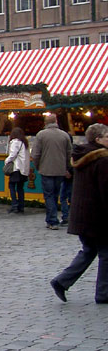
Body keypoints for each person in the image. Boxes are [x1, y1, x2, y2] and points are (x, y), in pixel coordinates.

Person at [50, 123, 108, 304]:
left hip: (83, 214)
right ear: (98, 139)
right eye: (107, 136)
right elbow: (105, 191)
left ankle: (61, 281)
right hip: (97, 216)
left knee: (89, 250)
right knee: (105, 253)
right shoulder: (103, 160)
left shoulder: (82, 156)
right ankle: (103, 293)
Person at [31, 114, 73, 230]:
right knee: (55, 194)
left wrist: (38, 166)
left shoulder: (41, 135)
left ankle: (52, 220)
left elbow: (35, 154)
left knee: (48, 195)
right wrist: (67, 168)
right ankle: (51, 219)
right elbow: (69, 153)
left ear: (45, 122)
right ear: (56, 121)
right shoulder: (64, 135)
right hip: (60, 170)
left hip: (46, 169)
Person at [5, 127, 31, 214]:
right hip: (23, 169)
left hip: (16, 168)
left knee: (11, 186)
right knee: (20, 188)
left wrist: (7, 161)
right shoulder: (25, 143)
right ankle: (21, 206)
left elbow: (12, 155)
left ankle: (14, 205)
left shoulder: (15, 142)